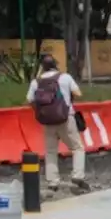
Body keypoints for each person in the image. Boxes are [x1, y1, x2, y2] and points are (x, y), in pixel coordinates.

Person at [26, 54, 86, 190]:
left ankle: (53, 182)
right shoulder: (65, 77)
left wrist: (40, 111)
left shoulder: (36, 82)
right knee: (77, 148)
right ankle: (77, 175)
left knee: (51, 151)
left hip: (47, 120)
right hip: (66, 118)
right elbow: (78, 94)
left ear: (42, 67)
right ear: (55, 64)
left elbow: (30, 100)